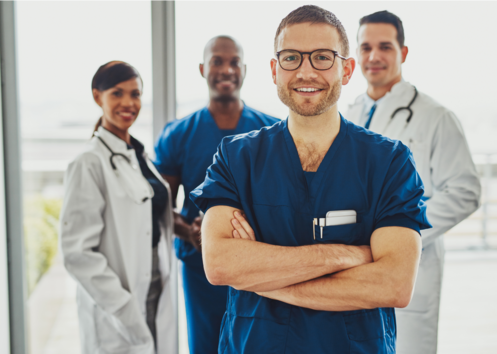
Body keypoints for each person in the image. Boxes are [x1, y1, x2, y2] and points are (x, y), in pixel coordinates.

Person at [190, 5, 432, 353]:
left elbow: (393, 284)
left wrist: (262, 279)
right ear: (274, 70)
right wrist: (343, 256)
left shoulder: (388, 162)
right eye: (291, 58)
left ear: (346, 70)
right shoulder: (236, 158)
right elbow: (220, 265)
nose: (306, 71)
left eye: (322, 57)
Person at [344, 11, 481, 354]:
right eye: (365, 47)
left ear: (403, 53)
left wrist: (402, 235)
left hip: (410, 266)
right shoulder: (347, 114)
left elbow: (465, 191)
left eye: (385, 47)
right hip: (352, 261)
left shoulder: (436, 117)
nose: (374, 57)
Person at [154, 36, 279, 353]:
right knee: (206, 344)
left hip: (259, 265)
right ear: (202, 69)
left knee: (257, 343)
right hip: (201, 269)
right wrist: (190, 231)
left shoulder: (273, 133)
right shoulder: (179, 135)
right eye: (217, 61)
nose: (226, 69)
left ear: (245, 70)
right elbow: (161, 206)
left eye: (234, 61)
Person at [60, 61, 177, 354]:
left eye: (135, 94)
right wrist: (123, 307)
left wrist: (188, 229)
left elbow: (149, 217)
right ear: (97, 96)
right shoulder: (89, 162)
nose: (128, 103)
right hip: (118, 302)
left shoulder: (136, 155)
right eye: (117, 93)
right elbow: (77, 254)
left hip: (155, 288)